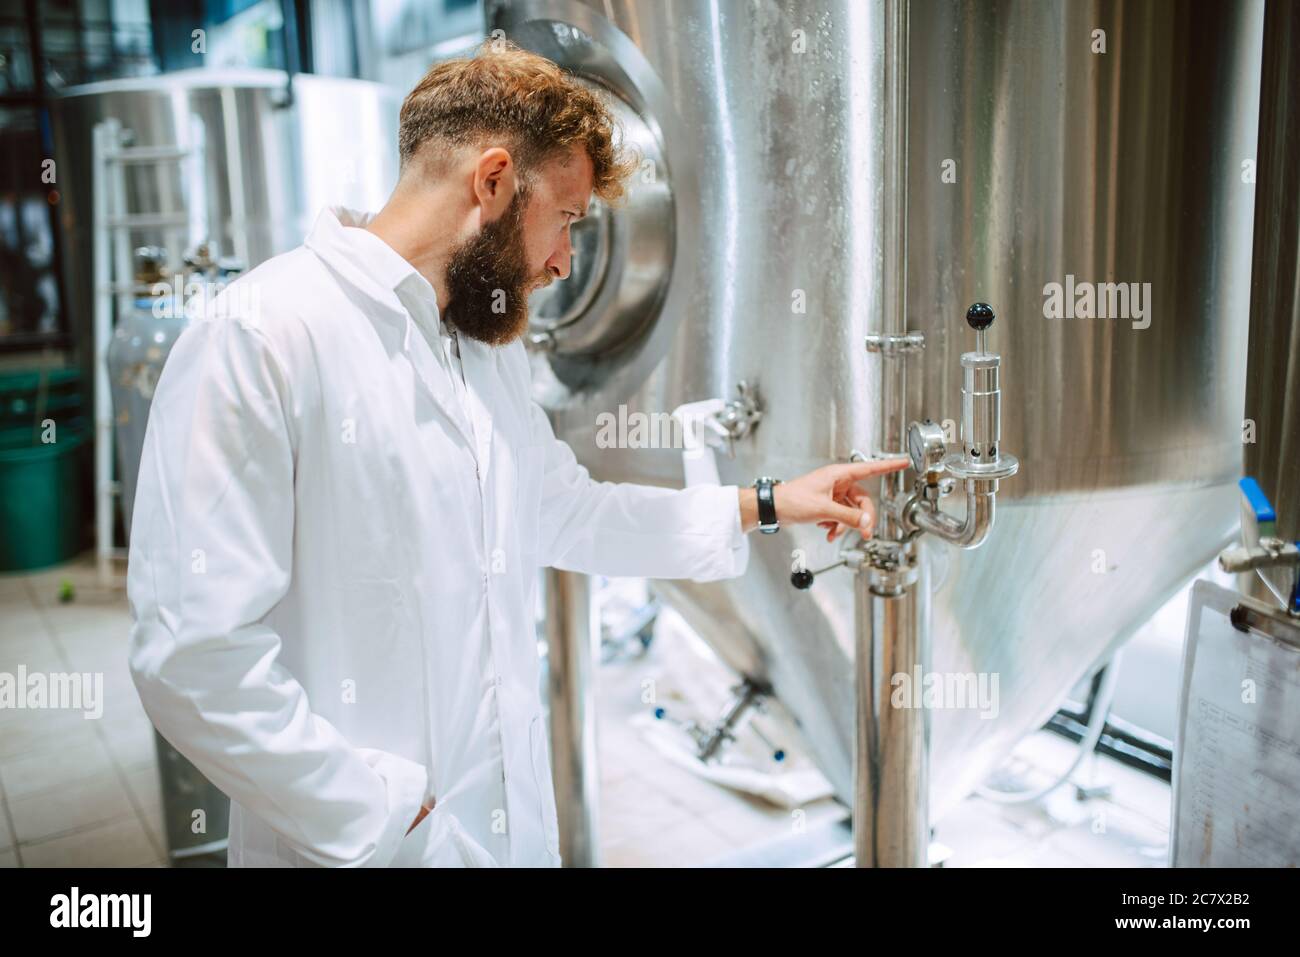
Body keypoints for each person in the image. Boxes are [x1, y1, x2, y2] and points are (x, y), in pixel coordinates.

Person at [126, 41, 907, 868]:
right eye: (565, 218)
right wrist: (387, 817)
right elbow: (191, 652)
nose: (565, 260)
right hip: (363, 848)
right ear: (493, 181)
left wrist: (769, 500)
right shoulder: (260, 332)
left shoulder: (480, 345)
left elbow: (561, 510)